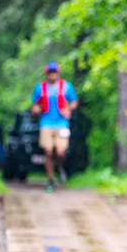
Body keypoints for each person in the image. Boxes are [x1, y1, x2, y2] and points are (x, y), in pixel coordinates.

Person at [29, 61, 78, 192]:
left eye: (54, 72)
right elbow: (34, 103)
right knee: (48, 152)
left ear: (58, 73)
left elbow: (74, 101)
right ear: (46, 74)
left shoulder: (66, 86)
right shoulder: (40, 88)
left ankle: (59, 166)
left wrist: (69, 109)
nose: (52, 75)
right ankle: (50, 179)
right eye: (50, 72)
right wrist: (35, 109)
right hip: (46, 123)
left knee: (61, 152)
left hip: (62, 123)